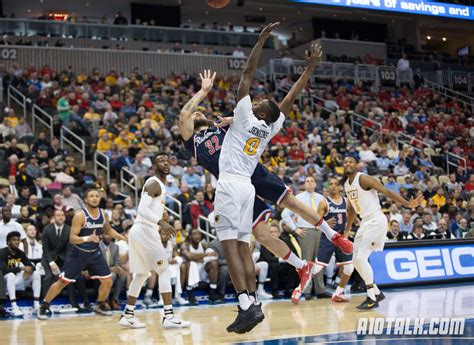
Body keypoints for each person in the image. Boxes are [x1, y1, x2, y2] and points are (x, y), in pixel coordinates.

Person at [179, 53, 350, 316]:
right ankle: (299, 267)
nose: (199, 112)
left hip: (252, 173)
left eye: (202, 110)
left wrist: (230, 120)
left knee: (291, 202)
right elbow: (184, 114)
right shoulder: (192, 140)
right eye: (197, 113)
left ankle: (333, 235)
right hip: (234, 184)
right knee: (259, 236)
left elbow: (257, 114)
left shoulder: (223, 124)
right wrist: (203, 92)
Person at [118, 153, 190, 329]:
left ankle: (128, 315)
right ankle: (169, 316)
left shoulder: (160, 185)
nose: (165, 163)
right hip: (144, 229)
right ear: (154, 166)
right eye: (160, 161)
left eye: (167, 160)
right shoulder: (153, 183)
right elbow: (141, 209)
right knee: (164, 270)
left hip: (139, 231)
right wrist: (161, 222)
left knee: (142, 274)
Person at [343, 156, 422, 309]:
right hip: (365, 222)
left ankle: (371, 297)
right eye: (345, 162)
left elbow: (385, 191)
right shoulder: (346, 184)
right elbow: (352, 207)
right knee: (354, 260)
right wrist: (347, 229)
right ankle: (377, 292)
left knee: (361, 258)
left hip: (376, 220)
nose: (347, 163)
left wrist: (407, 204)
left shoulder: (364, 178)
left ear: (356, 165)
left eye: (350, 162)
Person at [37, 188, 127, 320]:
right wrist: (87, 238)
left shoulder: (103, 214)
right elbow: (72, 238)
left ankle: (100, 303)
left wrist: (124, 238)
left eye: (97, 196)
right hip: (79, 254)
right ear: (86, 200)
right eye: (91, 196)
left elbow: (108, 230)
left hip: (95, 253)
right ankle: (44, 306)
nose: (95, 198)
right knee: (63, 282)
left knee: (107, 280)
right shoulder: (80, 215)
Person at [293, 177, 355, 304]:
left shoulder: (346, 201)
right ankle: (299, 289)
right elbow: (314, 222)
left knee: (349, 267)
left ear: (339, 187)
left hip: (341, 238)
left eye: (335, 184)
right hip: (327, 239)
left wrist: (348, 230)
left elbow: (353, 213)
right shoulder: (324, 202)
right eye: (330, 184)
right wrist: (325, 223)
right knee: (317, 269)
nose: (333, 186)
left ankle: (338, 293)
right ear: (327, 188)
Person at [282, 176, 329, 302]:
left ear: (315, 184)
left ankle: (320, 290)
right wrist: (295, 228)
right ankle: (306, 291)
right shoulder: (298, 198)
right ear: (304, 184)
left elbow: (327, 213)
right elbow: (284, 214)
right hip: (305, 231)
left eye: (312, 181)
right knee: (307, 262)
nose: (309, 183)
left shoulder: (321, 198)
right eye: (307, 181)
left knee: (319, 262)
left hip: (319, 231)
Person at [0, 231, 41, 316]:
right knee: (10, 275)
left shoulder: (20, 253)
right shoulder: (2, 252)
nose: (17, 242)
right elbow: (3, 270)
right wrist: (21, 268)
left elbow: (30, 265)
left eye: (18, 240)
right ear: (8, 242)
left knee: (36, 273)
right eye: (14, 240)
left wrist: (30, 270)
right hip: (5, 283)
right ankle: (14, 307)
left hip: (17, 281)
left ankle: (36, 305)